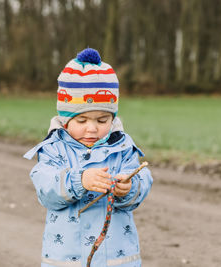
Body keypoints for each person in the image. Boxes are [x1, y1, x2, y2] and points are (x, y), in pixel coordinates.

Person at [24, 48, 153, 267]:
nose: (92, 129)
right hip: (67, 259)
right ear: (65, 120)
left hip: (116, 260)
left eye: (102, 120)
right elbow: (46, 188)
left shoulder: (122, 146)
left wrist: (129, 187)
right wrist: (79, 180)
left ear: (112, 118)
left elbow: (142, 184)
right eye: (82, 121)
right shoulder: (54, 148)